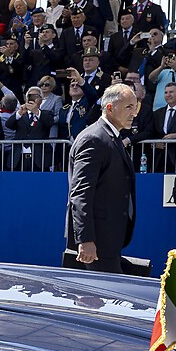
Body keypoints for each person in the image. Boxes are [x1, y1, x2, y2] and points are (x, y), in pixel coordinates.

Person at [66, 83, 139, 273]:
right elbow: (80, 194)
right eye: (129, 107)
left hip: (108, 240)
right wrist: (86, 240)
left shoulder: (111, 137)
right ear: (110, 108)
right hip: (95, 244)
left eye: (135, 106)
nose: (134, 113)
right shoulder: (94, 139)